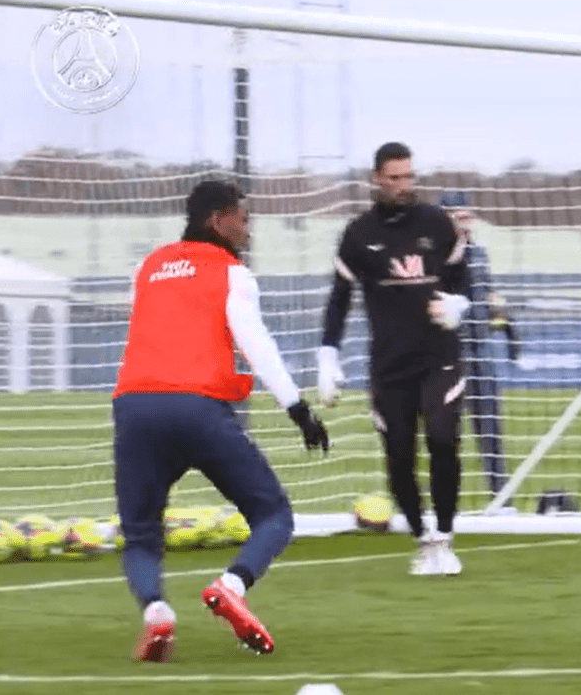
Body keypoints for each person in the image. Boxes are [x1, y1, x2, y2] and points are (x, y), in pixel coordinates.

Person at [113, 180, 330, 661]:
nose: (248, 228)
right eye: (243, 218)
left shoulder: (146, 268)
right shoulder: (231, 273)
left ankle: (156, 615)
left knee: (141, 534)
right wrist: (298, 410)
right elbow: (257, 345)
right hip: (196, 408)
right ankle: (231, 585)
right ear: (218, 219)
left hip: (134, 405)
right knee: (274, 515)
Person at [316, 142, 471, 576]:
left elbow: (463, 282)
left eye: (409, 176)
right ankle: (423, 539)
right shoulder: (358, 234)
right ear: (377, 179)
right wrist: (328, 355)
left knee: (442, 437)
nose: (404, 185)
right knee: (399, 457)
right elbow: (339, 300)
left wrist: (460, 305)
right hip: (389, 365)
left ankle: (444, 536)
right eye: (396, 177)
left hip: (438, 356)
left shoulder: (438, 225)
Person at [441, 191, 521, 499]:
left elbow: (487, 296)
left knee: (490, 429)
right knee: (444, 435)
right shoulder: (429, 255)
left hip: (480, 353)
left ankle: (502, 500)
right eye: (459, 216)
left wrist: (508, 326)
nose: (466, 222)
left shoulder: (478, 253)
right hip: (446, 357)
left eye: (468, 216)